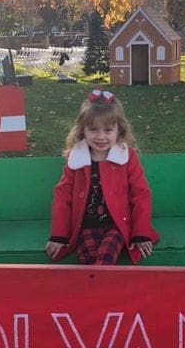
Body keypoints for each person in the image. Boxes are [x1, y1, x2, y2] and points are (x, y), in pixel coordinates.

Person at [46, 89, 159, 265]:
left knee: (105, 259)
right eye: (93, 130)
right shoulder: (76, 158)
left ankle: (102, 291)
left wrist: (140, 233)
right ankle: (97, 291)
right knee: (87, 260)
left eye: (108, 130)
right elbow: (63, 196)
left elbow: (141, 194)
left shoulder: (127, 156)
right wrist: (59, 235)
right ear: (82, 130)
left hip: (117, 226)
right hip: (85, 227)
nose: (100, 136)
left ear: (118, 130)